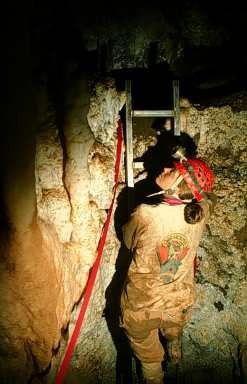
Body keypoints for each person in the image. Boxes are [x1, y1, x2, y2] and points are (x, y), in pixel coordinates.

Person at [119, 149, 216, 384]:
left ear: (179, 184)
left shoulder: (145, 214)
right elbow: (206, 198)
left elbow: (128, 240)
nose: (164, 169)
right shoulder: (201, 212)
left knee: (149, 358)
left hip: (143, 306)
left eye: (172, 170)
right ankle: (174, 344)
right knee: (173, 326)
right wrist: (188, 177)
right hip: (178, 303)